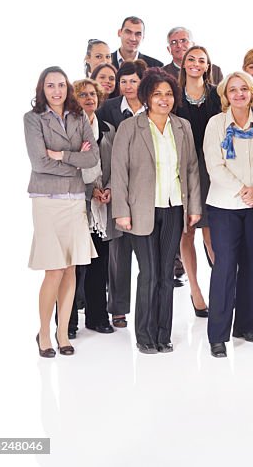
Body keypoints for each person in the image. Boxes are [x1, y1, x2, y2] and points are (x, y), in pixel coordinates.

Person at [112, 70, 201, 354]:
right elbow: (119, 172)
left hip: (175, 207)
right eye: (157, 94)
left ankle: (164, 334)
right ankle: (144, 335)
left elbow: (191, 169)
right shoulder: (130, 127)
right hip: (141, 210)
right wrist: (121, 211)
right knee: (149, 273)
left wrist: (194, 207)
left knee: (165, 273)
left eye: (169, 94)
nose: (164, 99)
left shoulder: (182, 126)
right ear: (147, 97)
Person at [26, 67, 99, 357]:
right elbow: (39, 162)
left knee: (71, 267)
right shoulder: (33, 119)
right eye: (50, 86)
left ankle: (62, 332)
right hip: (46, 200)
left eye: (61, 85)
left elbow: (92, 157)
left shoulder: (79, 117)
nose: (56, 91)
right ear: (41, 90)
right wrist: (73, 160)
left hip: (74, 200)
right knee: (54, 269)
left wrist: (61, 154)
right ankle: (44, 333)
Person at [202, 71, 253, 358]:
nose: (239, 94)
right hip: (225, 206)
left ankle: (246, 326)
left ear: (252, 92)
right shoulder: (216, 124)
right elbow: (214, 166)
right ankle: (218, 335)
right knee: (225, 267)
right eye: (233, 90)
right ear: (225, 95)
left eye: (245, 89)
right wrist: (243, 189)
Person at [95, 59, 148, 329]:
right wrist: (109, 186)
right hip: (117, 186)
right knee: (119, 250)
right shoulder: (109, 109)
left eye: (133, 81)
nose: (128, 86)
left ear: (143, 82)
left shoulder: (154, 108)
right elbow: (103, 150)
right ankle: (118, 308)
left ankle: (149, 306)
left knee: (147, 252)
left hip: (148, 189)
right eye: (123, 81)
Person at [175, 45, 221, 318]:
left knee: (211, 234)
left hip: (212, 169)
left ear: (208, 66)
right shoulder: (175, 95)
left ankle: (221, 289)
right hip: (182, 169)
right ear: (183, 64)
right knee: (187, 231)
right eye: (191, 59)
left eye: (201, 60)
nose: (195, 64)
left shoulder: (216, 95)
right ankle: (195, 290)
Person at [70, 79, 116, 336]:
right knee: (74, 268)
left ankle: (97, 317)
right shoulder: (68, 129)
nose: (89, 98)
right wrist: (90, 191)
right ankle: (68, 323)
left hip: (101, 208)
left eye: (93, 94)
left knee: (100, 265)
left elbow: (115, 165)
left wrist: (107, 189)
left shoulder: (108, 130)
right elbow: (68, 168)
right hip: (76, 203)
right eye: (83, 95)